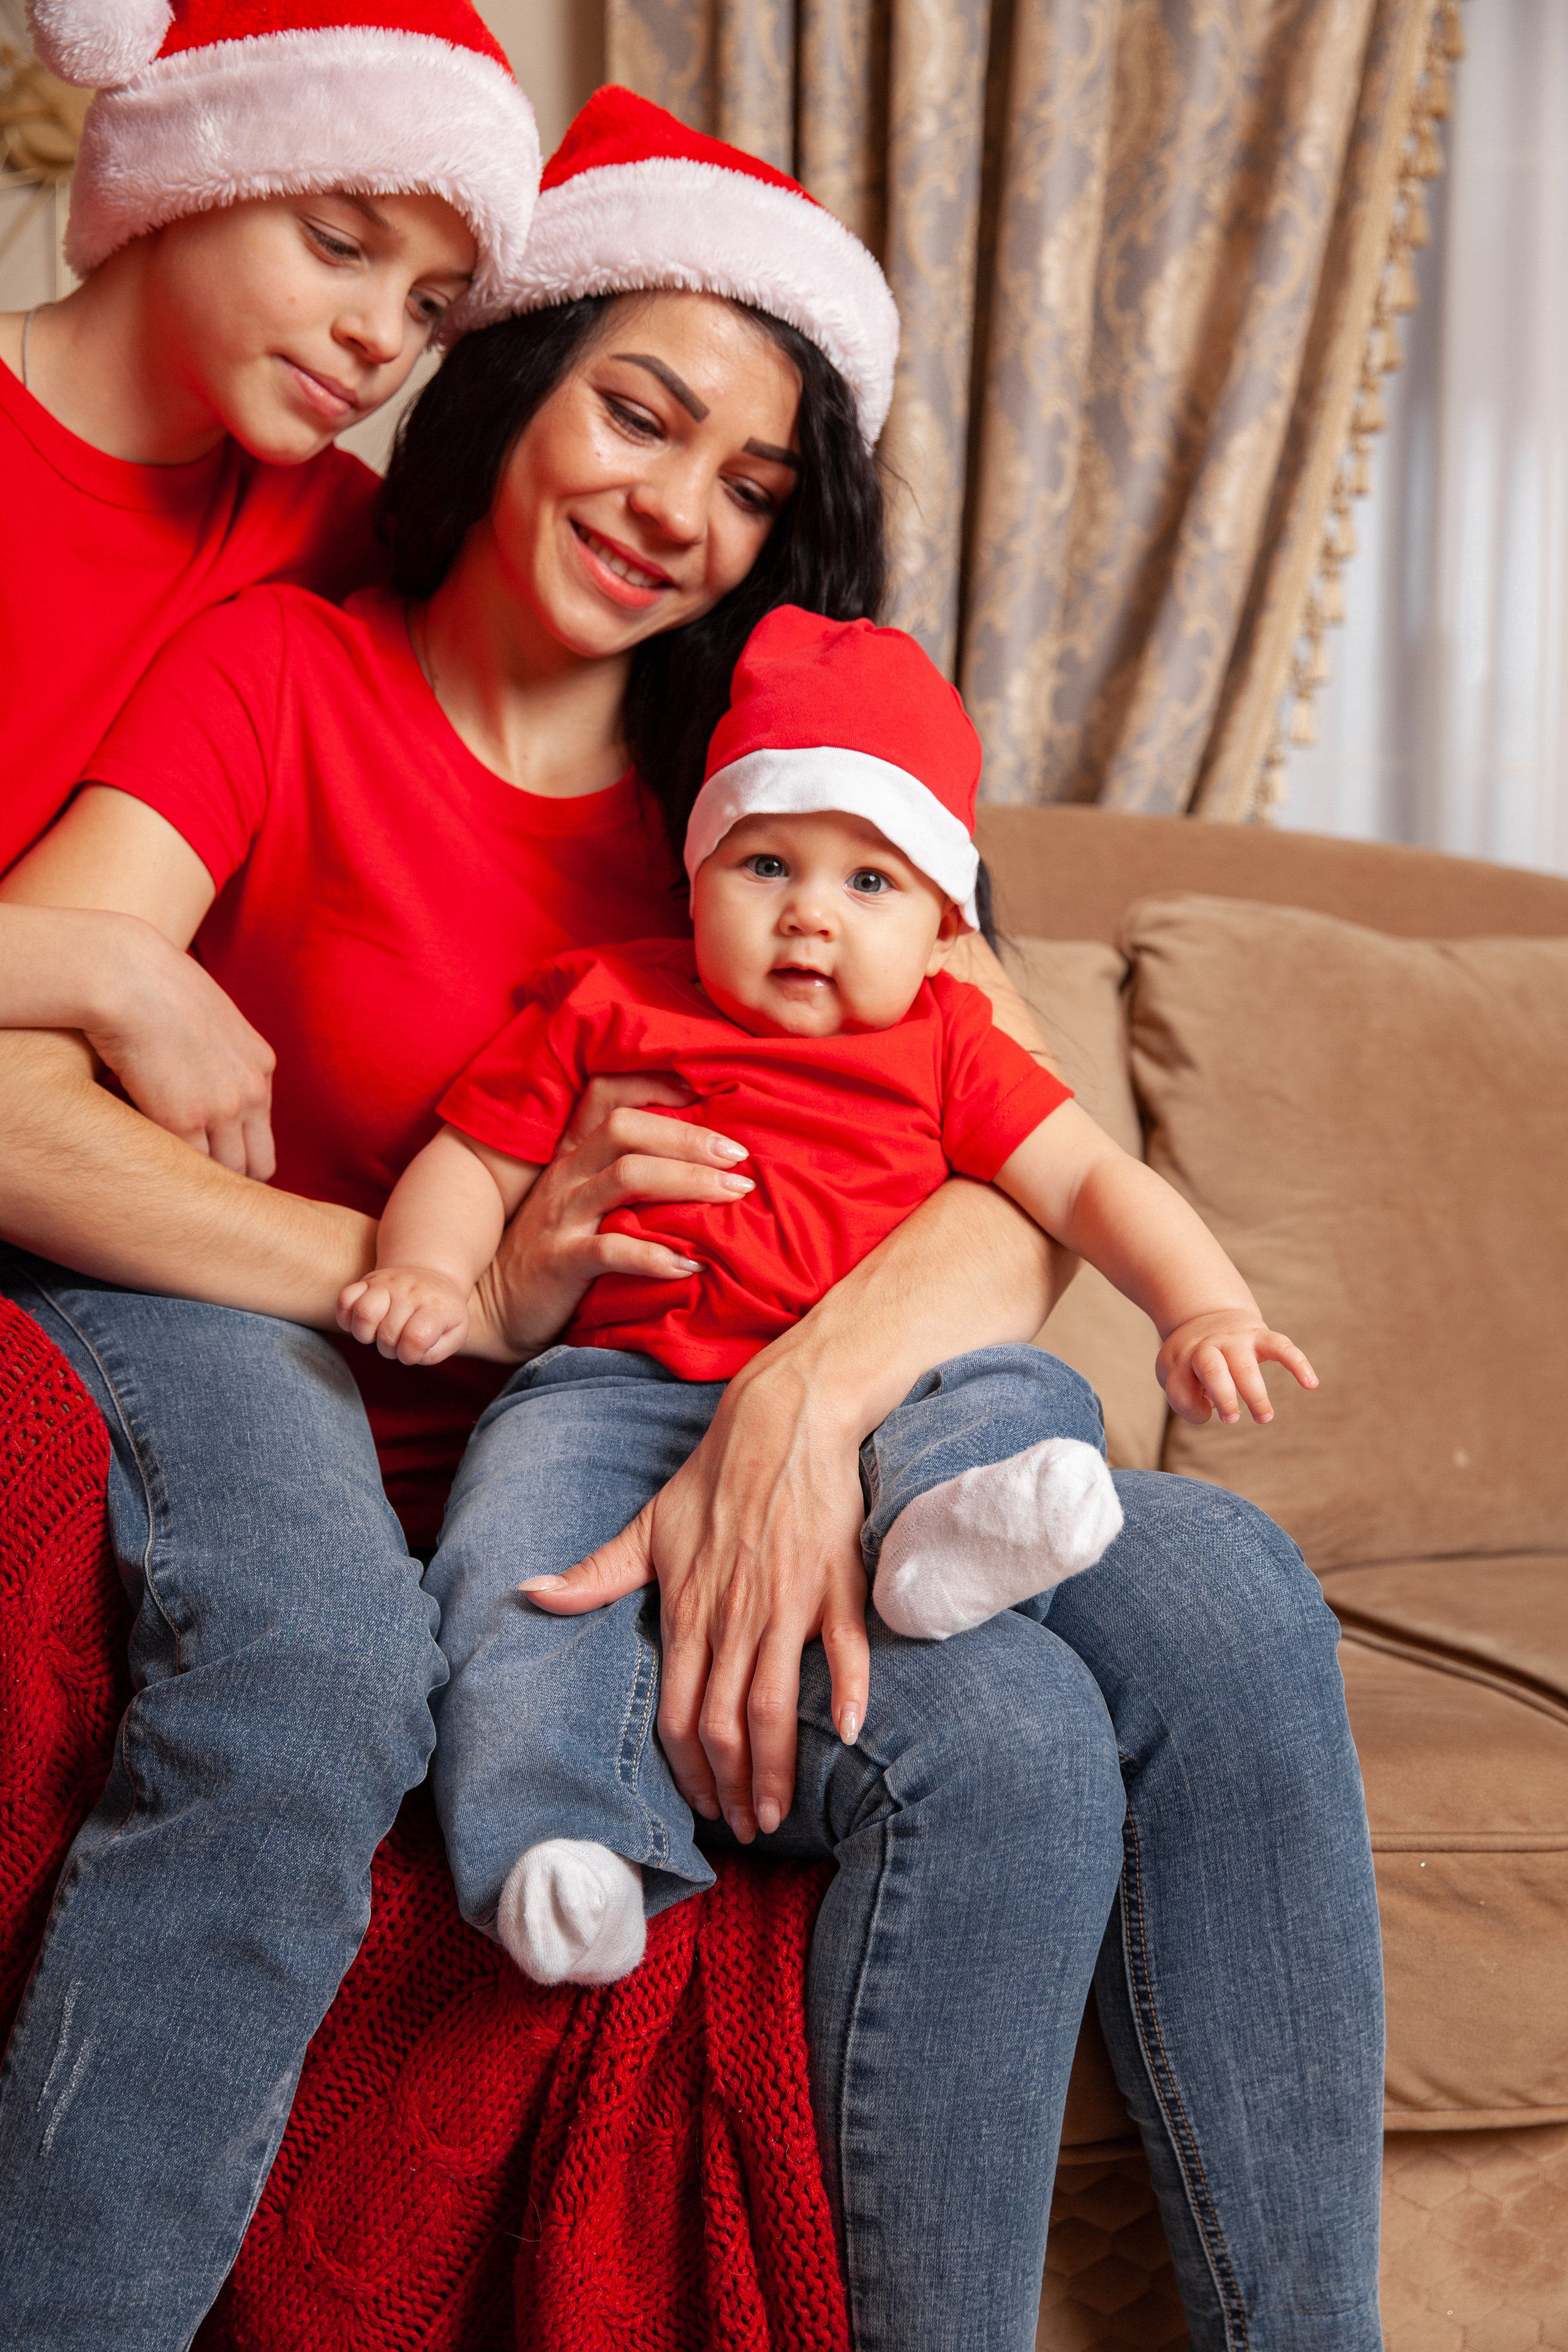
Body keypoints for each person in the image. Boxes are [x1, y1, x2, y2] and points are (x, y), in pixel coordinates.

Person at [0, 88, 1385, 2352]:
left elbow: (1012, 1147)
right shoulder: (280, 669)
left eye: (750, 484)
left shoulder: (779, 787)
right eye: (639, 418)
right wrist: (454, 1281)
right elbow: (21, 1082)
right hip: (448, 1455)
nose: (678, 512)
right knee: (1009, 1744)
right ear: (513, 388)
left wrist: (803, 1417)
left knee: (1229, 1586)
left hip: (749, 1407)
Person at [340, 603, 1317, 1990]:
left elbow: (1095, 1184)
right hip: (622, 1391)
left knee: (1020, 1386)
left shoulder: (949, 1040)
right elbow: (470, 1159)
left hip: (886, 1400)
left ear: (940, 929)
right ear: (694, 879)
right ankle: (566, 1839)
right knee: (514, 1549)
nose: (808, 911)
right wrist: (433, 1273)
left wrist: (1202, 1307)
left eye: (869, 881)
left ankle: (951, 1536)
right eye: (766, 863)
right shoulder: (609, 1004)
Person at [0, 0, 538, 1170]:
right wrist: (106, 968)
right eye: (339, 244)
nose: (382, 337)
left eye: (430, 304)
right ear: (185, 177)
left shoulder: (347, 538)